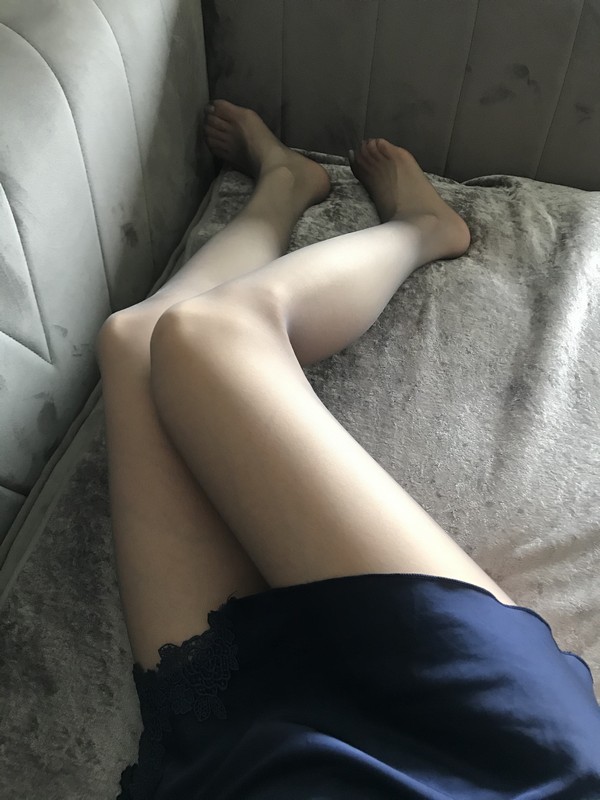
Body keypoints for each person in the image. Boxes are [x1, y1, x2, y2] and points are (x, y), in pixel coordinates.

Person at [95, 100, 600, 799]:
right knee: (205, 337)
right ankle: (420, 227)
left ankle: (286, 184)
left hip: (241, 766)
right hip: (484, 760)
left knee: (131, 340)